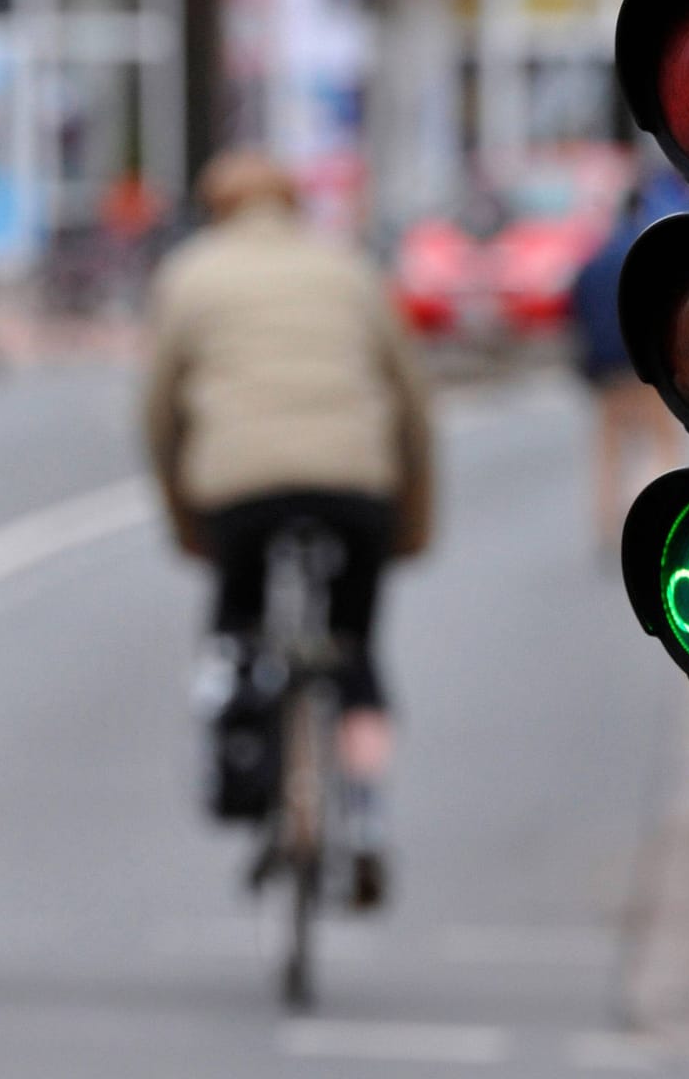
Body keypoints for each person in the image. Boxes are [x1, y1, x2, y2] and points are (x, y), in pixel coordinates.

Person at [144, 152, 435, 909]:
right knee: (354, 649)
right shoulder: (350, 269)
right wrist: (410, 521)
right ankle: (366, 817)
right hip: (356, 485)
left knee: (235, 626)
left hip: (239, 487)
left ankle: (237, 754)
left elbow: (160, 412)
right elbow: (410, 401)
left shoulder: (190, 273)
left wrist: (187, 519)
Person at [570, 179, 685, 549]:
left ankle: (609, 527)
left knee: (610, 452)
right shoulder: (652, 258)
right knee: (661, 445)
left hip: (605, 373)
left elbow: (576, 317)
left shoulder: (593, 262)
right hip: (647, 369)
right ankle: (662, 522)